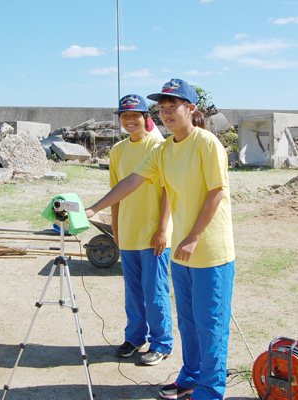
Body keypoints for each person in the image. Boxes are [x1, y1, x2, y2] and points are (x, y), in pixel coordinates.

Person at [86, 79, 235, 400]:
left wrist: (194, 236)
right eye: (163, 108)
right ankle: (191, 378)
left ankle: (210, 390)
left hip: (210, 251)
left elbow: (217, 192)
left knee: (211, 325)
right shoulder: (165, 149)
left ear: (191, 109)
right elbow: (133, 181)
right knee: (190, 323)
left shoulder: (206, 143)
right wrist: (94, 208)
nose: (167, 113)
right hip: (182, 253)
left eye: (174, 107)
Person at [88, 94, 173, 366]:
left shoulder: (160, 146)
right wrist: (115, 227)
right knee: (132, 291)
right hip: (127, 232)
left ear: (146, 117)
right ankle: (135, 337)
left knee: (155, 291)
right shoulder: (118, 151)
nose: (129, 120)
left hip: (153, 235)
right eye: (124, 116)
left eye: (135, 115)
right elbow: (116, 193)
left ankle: (161, 343)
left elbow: (167, 193)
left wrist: (162, 229)